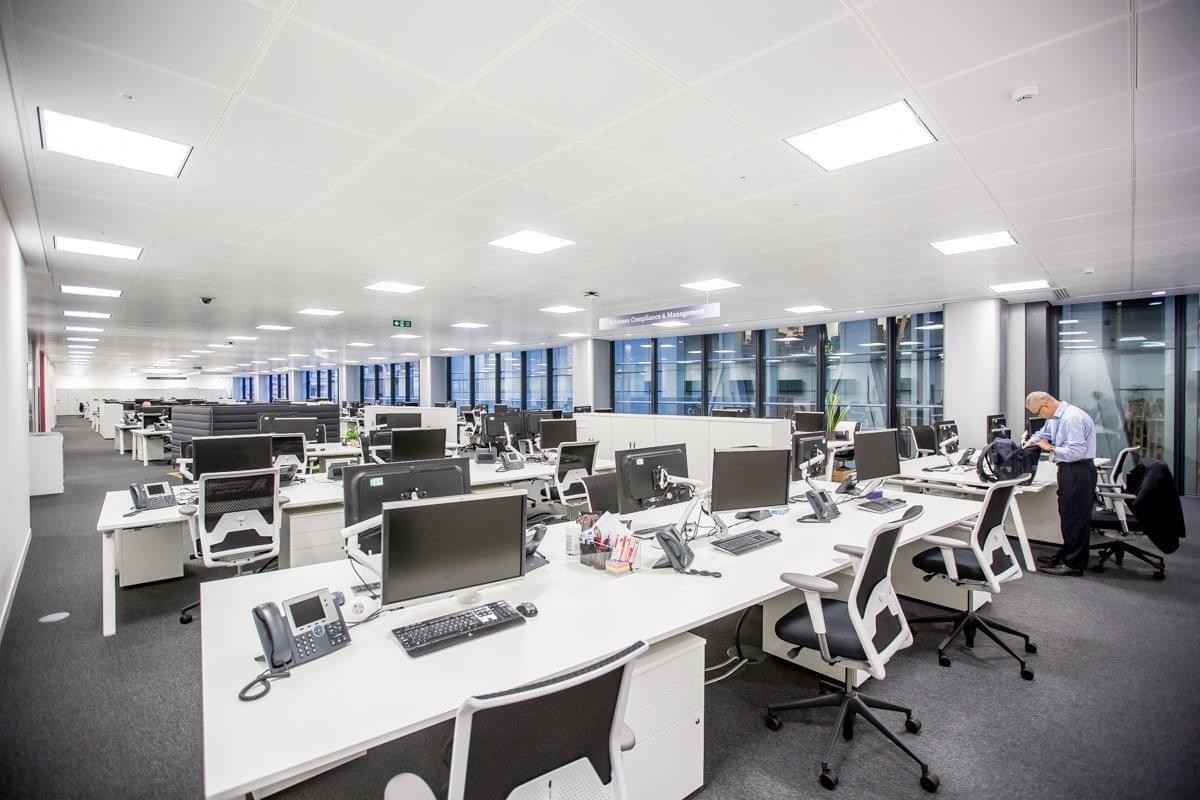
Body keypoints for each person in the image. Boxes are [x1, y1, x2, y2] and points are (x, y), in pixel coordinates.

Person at [1025, 391, 1097, 576]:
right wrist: (1030, 443)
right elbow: (1043, 433)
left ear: (1047, 404)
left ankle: (1074, 564)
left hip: (1078, 470)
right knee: (1068, 515)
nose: (1039, 416)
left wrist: (1050, 448)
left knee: (1076, 518)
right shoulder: (1056, 417)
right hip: (1068, 470)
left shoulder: (1071, 418)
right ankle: (1067, 554)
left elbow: (1076, 452)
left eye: (1038, 412)